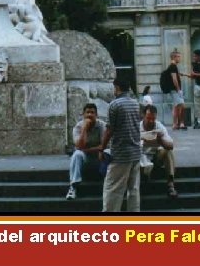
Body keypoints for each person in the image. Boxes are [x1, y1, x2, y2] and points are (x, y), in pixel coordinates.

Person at [101, 79, 141, 212]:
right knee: (133, 189)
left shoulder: (115, 105)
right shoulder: (135, 104)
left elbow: (109, 129)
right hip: (135, 152)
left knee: (113, 189)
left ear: (116, 87)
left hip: (120, 153)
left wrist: (102, 147)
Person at [65, 103, 106, 200]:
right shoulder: (78, 127)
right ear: (83, 115)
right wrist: (84, 128)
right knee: (77, 154)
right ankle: (73, 187)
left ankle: (107, 186)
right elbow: (79, 146)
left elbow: (103, 145)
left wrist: (89, 149)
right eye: (87, 112)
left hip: (98, 156)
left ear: (96, 115)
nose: (90, 115)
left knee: (108, 152)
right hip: (85, 156)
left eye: (92, 112)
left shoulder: (102, 126)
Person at [140, 104, 178, 198]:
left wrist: (160, 140)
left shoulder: (159, 126)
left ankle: (170, 184)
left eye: (153, 119)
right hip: (142, 157)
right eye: (148, 118)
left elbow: (171, 145)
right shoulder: (137, 127)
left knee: (168, 151)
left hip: (156, 156)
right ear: (143, 116)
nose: (151, 121)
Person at [167, 50, 186, 130]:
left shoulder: (172, 66)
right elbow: (174, 79)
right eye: (178, 56)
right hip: (175, 90)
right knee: (181, 105)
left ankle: (175, 124)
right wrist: (178, 90)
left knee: (176, 106)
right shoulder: (173, 66)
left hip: (174, 90)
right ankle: (180, 123)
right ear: (174, 57)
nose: (179, 58)